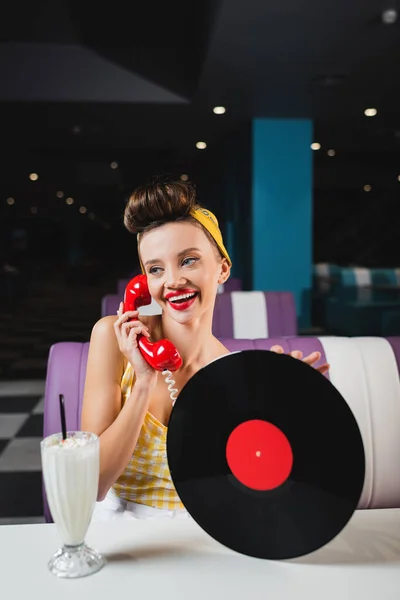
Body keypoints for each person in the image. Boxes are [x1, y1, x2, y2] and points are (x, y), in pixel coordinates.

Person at [82, 177, 329, 521]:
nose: (172, 280)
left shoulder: (237, 374)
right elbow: (91, 484)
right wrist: (143, 380)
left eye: (188, 261)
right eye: (156, 269)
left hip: (204, 535)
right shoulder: (113, 336)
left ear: (222, 269)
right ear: (144, 282)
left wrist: (287, 411)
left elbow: (259, 487)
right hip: (121, 538)